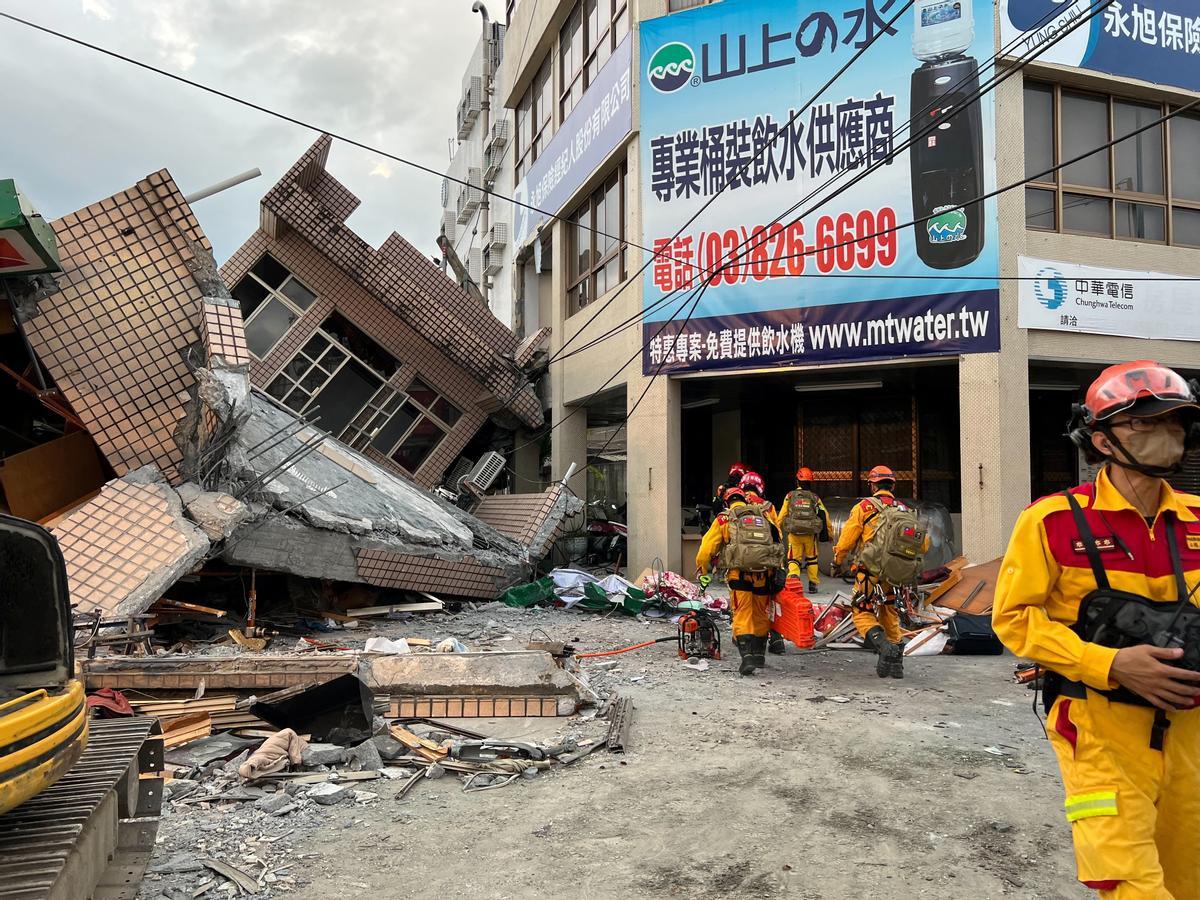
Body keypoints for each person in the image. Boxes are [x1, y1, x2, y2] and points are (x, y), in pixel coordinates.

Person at [992, 360, 1200, 899]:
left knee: (1188, 879)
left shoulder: (1199, 519)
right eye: (1145, 424)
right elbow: (1014, 619)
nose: (1165, 435)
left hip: (1192, 729)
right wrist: (1108, 663)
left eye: (1174, 423)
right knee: (1133, 884)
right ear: (1102, 441)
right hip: (1100, 728)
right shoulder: (1054, 520)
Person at [832, 465, 927, 679]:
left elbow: (847, 540)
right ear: (892, 485)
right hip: (895, 575)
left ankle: (884, 647)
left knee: (861, 610)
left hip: (870, 572)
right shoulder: (904, 510)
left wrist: (837, 561)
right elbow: (924, 544)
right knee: (888, 612)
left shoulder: (864, 508)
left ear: (872, 485)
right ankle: (896, 665)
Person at [696, 486, 783, 676]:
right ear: (745, 499)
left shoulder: (724, 519)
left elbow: (706, 550)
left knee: (743, 613)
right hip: (764, 574)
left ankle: (747, 657)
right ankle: (759, 654)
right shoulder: (763, 515)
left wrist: (703, 568)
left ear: (727, 502)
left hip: (739, 575)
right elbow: (778, 540)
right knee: (760, 612)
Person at [778, 466, 832, 595]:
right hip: (810, 534)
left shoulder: (790, 496)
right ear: (810, 481)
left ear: (797, 481)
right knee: (812, 559)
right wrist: (829, 532)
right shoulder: (814, 497)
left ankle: (794, 580)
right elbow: (825, 515)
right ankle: (813, 584)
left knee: (793, 559)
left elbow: (782, 514)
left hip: (794, 534)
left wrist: (776, 529)